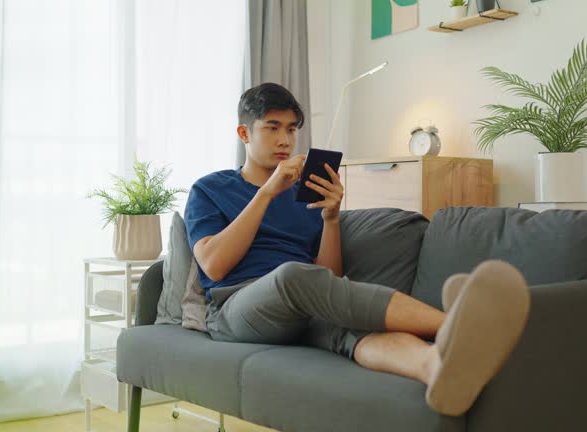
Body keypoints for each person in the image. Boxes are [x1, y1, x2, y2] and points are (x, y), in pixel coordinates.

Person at [184, 82, 530, 416]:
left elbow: (328, 280)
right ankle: (459, 324)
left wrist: (331, 218)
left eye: (291, 130)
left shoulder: (305, 195)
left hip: (303, 306)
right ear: (244, 134)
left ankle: (436, 370)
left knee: (354, 326)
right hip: (236, 309)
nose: (284, 140)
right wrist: (266, 193)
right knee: (292, 275)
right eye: (272, 128)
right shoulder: (210, 189)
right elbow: (213, 266)